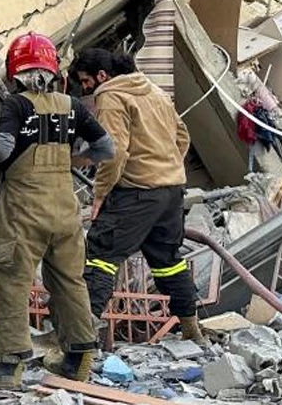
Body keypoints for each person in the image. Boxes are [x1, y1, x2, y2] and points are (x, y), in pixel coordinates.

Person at [0, 33, 116, 389]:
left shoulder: (17, 105)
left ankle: (5, 368)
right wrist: (74, 159)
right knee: (69, 282)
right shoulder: (72, 105)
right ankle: (78, 358)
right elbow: (106, 147)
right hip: (64, 211)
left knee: (9, 282)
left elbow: (1, 149)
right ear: (53, 70)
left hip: (23, 214)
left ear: (15, 73)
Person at [70, 49, 207, 347]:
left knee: (100, 257)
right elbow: (182, 135)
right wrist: (166, 166)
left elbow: (113, 151)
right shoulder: (154, 90)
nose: (85, 89)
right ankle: (191, 329)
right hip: (171, 192)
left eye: (85, 81)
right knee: (168, 261)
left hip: (136, 193)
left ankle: (79, 343)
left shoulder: (111, 96)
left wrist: (100, 194)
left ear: (101, 76)